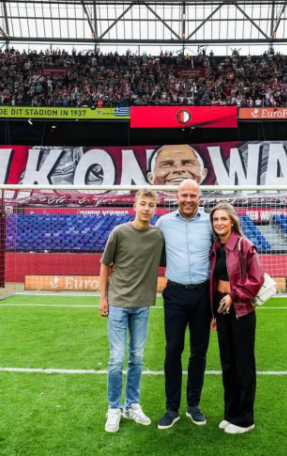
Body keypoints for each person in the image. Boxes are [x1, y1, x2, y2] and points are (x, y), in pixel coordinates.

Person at [99, 189, 165, 433]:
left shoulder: (158, 236)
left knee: (137, 357)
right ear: (134, 206)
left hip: (142, 305)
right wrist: (102, 298)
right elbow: (105, 265)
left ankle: (132, 405)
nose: (147, 208)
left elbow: (171, 258)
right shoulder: (119, 232)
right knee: (117, 358)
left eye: (151, 205)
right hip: (117, 303)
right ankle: (113, 408)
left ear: (155, 208)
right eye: (143, 204)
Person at [155, 179, 213, 429]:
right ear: (176, 197)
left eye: (193, 195)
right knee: (173, 349)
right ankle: (172, 408)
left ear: (199, 197)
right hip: (175, 294)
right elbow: (146, 248)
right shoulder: (163, 223)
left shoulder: (210, 222)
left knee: (199, 352)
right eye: (183, 195)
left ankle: (193, 405)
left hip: (203, 295)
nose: (188, 199)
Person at [208, 202, 265, 434]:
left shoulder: (244, 245)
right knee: (228, 365)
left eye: (223, 218)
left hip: (242, 311)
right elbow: (213, 282)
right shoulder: (215, 247)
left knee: (244, 366)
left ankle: (245, 419)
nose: (219, 223)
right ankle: (231, 414)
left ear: (232, 221)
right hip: (222, 312)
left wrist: (233, 295)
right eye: (215, 219)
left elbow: (256, 279)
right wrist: (214, 313)